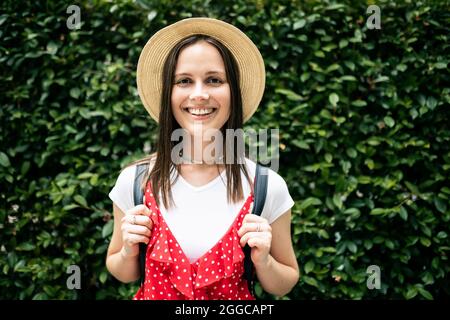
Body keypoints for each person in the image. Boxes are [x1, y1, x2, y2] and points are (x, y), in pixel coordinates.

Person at [106, 17, 299, 300]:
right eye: (184, 81)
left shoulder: (266, 186)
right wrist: (127, 251)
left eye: (214, 80)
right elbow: (121, 270)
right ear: (168, 94)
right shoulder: (135, 182)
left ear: (233, 91)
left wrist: (264, 261)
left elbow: (285, 281)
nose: (199, 94)